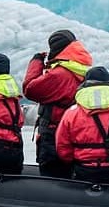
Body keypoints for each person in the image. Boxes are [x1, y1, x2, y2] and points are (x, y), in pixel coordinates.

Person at [22, 29, 92, 177]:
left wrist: (36, 63)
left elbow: (30, 90)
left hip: (54, 133)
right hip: (77, 132)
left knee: (52, 174)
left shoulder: (59, 74)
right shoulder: (81, 69)